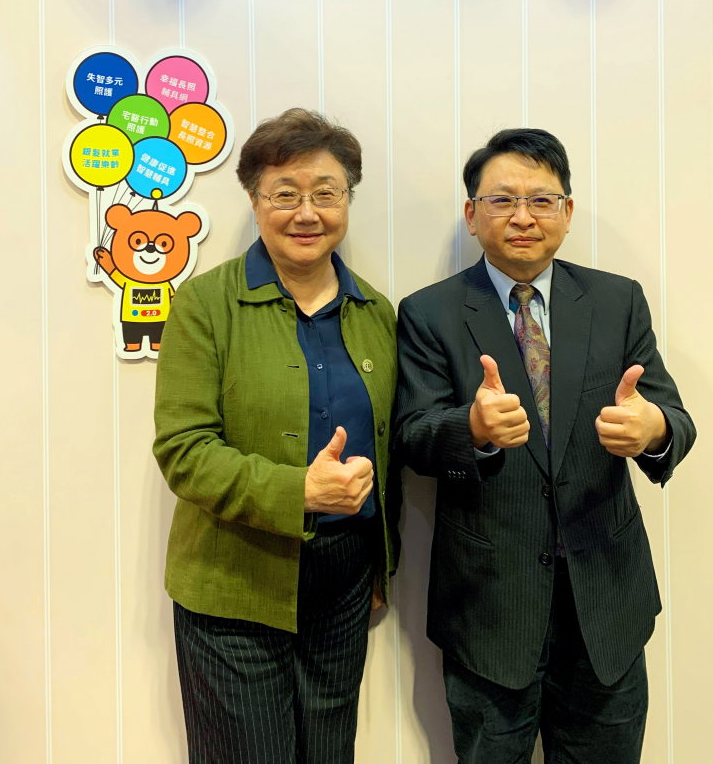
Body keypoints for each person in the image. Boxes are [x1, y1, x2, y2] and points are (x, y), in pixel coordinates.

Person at [394, 128, 695, 764]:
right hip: (489, 608)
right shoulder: (429, 312)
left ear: (568, 211)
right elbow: (412, 435)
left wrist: (654, 431)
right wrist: (471, 430)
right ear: (472, 213)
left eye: (541, 200)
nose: (523, 217)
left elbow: (675, 418)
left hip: (606, 604)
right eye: (502, 200)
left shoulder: (618, 300)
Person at [154, 108, 399, 764]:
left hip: (343, 585)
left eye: (326, 193)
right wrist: (301, 492)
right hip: (234, 577)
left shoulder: (376, 313)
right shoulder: (205, 305)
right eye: (284, 194)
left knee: (329, 751)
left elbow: (389, 445)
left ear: (347, 199)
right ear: (254, 200)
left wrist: (380, 561)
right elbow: (184, 450)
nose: (306, 213)